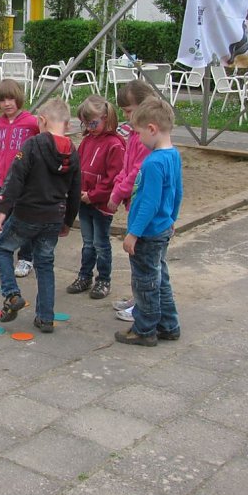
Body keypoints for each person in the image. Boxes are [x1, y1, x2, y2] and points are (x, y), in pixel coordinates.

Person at [0, 98, 80, 334]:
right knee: (45, 264)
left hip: (27, 213)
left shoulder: (32, 145)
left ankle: (12, 295)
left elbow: (15, 177)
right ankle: (46, 318)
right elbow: (75, 191)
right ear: (67, 124)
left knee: (1, 248)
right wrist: (68, 221)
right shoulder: (72, 152)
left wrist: (3, 210)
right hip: (54, 217)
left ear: (42, 120)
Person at [115, 97, 183, 347]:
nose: (138, 138)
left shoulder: (153, 162)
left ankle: (144, 329)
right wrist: (172, 218)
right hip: (162, 227)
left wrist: (133, 233)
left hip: (148, 232)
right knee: (160, 278)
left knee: (145, 282)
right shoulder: (173, 155)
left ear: (152, 129)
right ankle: (169, 325)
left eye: (139, 133)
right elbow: (177, 192)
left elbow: (149, 203)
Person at [106, 80, 158, 321]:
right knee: (137, 260)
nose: (126, 117)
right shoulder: (135, 134)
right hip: (133, 203)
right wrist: (117, 185)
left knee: (145, 261)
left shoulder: (147, 138)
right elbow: (126, 166)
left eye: (128, 111)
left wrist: (118, 193)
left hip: (142, 206)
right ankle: (138, 298)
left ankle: (142, 306)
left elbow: (137, 172)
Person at [66, 94, 124, 300]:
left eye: (92, 123)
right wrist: (76, 191)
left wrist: (93, 195)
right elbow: (78, 167)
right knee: (87, 242)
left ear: (106, 118)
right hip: (84, 201)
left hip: (101, 205)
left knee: (101, 243)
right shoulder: (87, 141)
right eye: (85, 123)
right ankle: (84, 276)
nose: (89, 127)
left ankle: (104, 279)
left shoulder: (115, 145)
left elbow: (113, 178)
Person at [0, 78, 39, 277]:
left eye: (10, 99)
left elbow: (43, 139)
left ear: (18, 98)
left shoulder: (31, 122)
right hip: (3, 181)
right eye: (2, 100)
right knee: (4, 219)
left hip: (26, 182)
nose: (7, 103)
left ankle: (26, 258)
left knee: (24, 218)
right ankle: (4, 256)